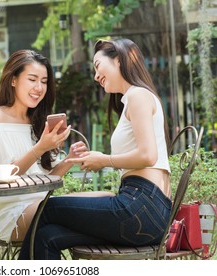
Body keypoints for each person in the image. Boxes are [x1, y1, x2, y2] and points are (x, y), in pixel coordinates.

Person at [18, 38, 172, 260]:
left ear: (119, 60)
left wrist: (104, 160)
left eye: (98, 65)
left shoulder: (138, 95)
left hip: (141, 206)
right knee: (47, 236)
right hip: (146, 213)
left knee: (47, 209)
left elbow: (148, 155)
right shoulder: (132, 99)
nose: (95, 75)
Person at [0, 50, 87, 243]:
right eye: (32, 79)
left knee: (105, 199)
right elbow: (2, 179)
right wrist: (40, 147)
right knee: (73, 213)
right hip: (11, 214)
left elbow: (45, 180)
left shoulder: (37, 122)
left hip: (41, 206)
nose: (39, 87)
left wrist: (69, 159)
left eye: (44, 81)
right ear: (13, 80)